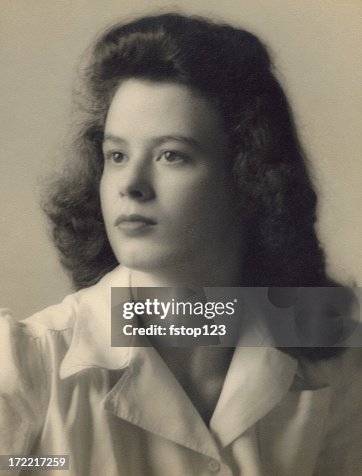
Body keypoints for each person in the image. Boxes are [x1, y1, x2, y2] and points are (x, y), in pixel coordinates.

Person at [0, 12, 361, 476]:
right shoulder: (27, 369)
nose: (130, 184)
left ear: (248, 176)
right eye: (116, 155)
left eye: (171, 155)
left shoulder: (335, 367)